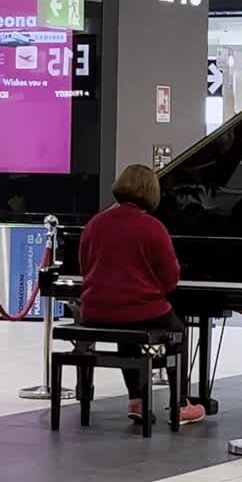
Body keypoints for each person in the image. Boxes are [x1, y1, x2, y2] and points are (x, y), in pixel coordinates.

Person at [78, 165, 206, 425]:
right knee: (178, 333)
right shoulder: (152, 227)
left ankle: (136, 400)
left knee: (127, 337)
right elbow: (170, 278)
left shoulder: (95, 223)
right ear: (151, 191)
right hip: (139, 307)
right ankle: (180, 404)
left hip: (95, 310)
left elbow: (84, 267)